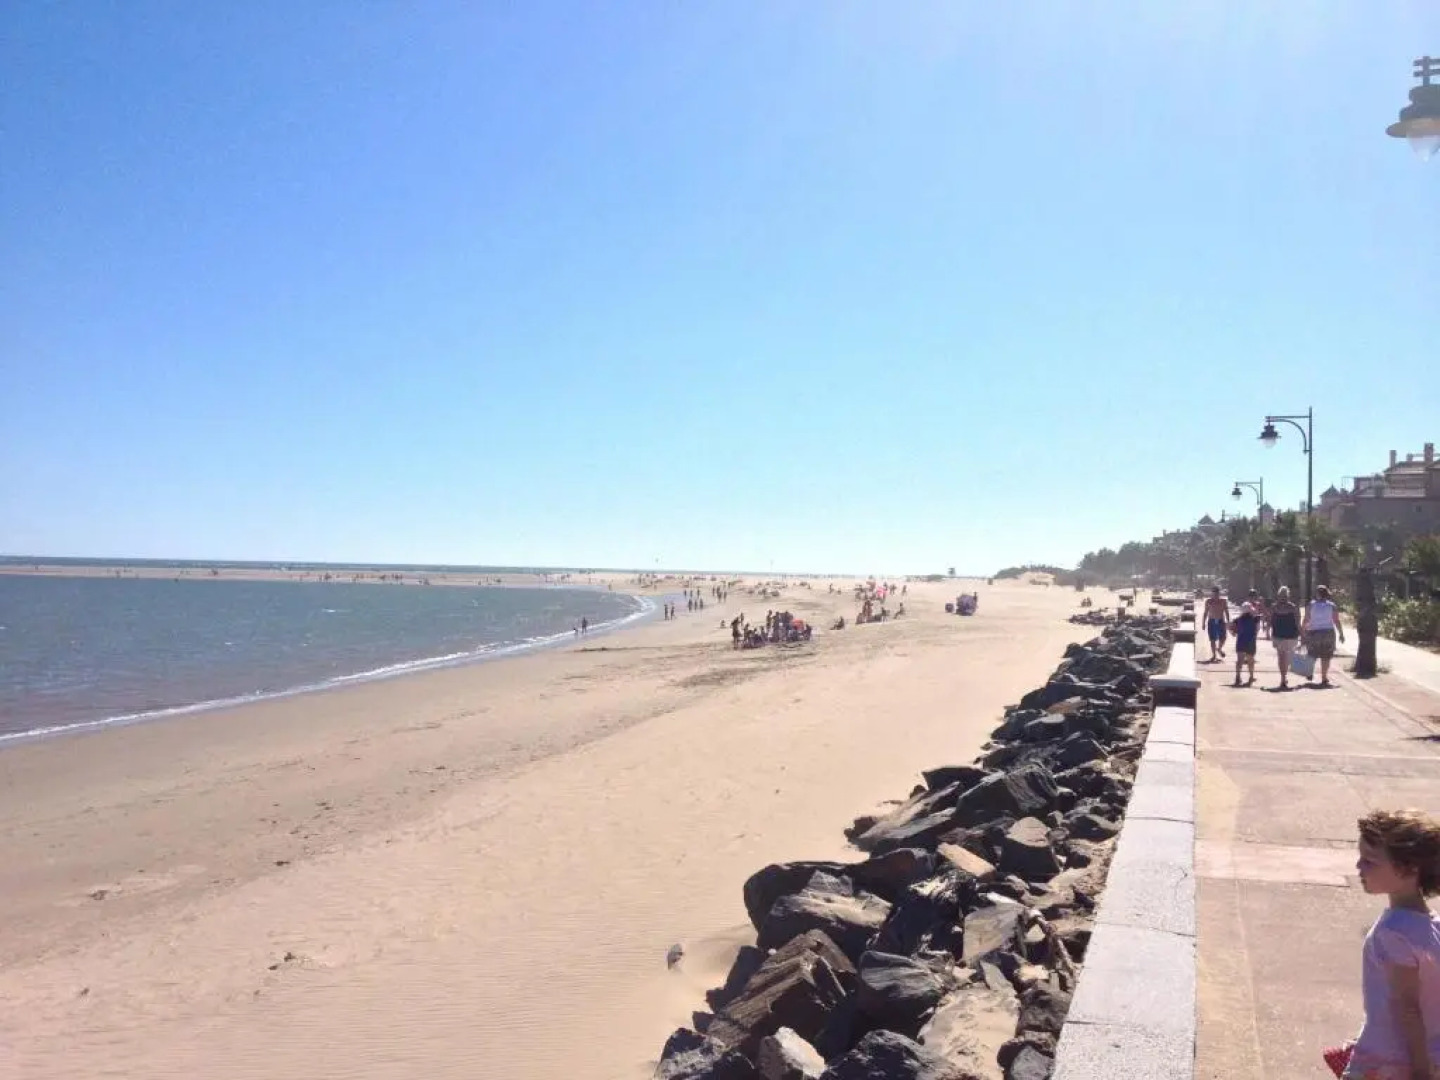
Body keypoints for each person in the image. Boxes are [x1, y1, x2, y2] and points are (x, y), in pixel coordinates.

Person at [1341, 808, 1440, 1080]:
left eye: (1370, 861)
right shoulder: (1433, 926)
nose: (1359, 867)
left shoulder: (1393, 932)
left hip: (1389, 1064)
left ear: (1409, 868)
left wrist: (1420, 1072)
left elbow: (1408, 1007)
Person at [1303, 584, 1347, 688]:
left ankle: (1309, 672)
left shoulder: (1311, 605)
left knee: (1312, 654)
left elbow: (1306, 619)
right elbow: (1336, 621)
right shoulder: (1332, 606)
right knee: (1326, 656)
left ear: (1317, 594)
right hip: (1328, 632)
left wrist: (1303, 632)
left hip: (1313, 632)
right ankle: (1324, 678)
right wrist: (1341, 634)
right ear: (1327, 594)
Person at [1270, 586, 1301, 691]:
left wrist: (1268, 631)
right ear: (1288, 595)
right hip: (1291, 635)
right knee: (1287, 657)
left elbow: (1270, 621)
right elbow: (1297, 623)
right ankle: (1284, 677)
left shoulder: (1274, 607)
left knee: (1281, 656)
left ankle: (1283, 678)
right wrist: (1302, 634)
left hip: (1278, 635)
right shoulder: (1293, 607)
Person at [1230, 602, 1261, 687]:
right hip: (1250, 642)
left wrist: (1234, 632)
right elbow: (1257, 629)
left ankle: (1238, 676)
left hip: (1240, 641)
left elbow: (1230, 627)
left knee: (1239, 661)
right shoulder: (1255, 619)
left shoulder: (1237, 620)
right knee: (1251, 661)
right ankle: (1251, 677)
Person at [1203, 586, 1230, 662]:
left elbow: (1226, 611)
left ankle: (1219, 648)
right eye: (1214, 593)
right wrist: (1203, 623)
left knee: (1223, 638)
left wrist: (1228, 621)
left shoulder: (1223, 601)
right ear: (1212, 594)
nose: (1215, 595)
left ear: (1219, 593)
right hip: (1211, 621)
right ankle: (1214, 655)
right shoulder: (1208, 601)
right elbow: (1205, 612)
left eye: (1217, 593)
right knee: (1212, 639)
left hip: (1221, 621)